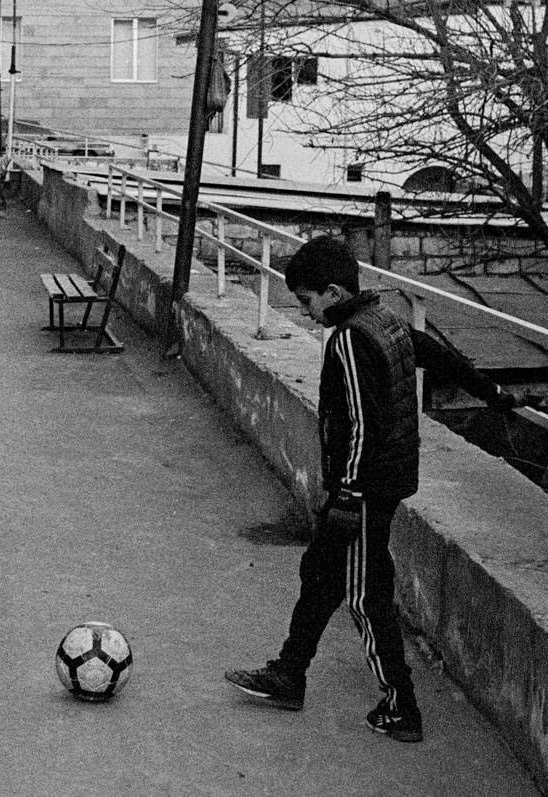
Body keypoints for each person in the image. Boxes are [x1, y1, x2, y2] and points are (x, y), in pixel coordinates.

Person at [224, 235, 425, 742]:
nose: (307, 312)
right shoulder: (385, 318)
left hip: (364, 490)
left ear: (333, 292)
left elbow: (361, 425)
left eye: (308, 301)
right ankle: (289, 673)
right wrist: (485, 389)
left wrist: (348, 498)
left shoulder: (351, 339)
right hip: (380, 483)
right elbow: (429, 353)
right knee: (320, 574)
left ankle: (401, 707)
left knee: (365, 596)